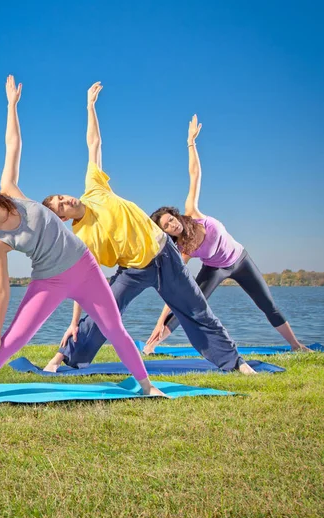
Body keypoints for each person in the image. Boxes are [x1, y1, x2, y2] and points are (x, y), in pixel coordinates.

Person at [0, 76, 165, 404]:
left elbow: (13, 145)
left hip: (85, 268)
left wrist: (11, 106)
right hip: (49, 280)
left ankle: (147, 386)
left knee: (115, 329)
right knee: (13, 339)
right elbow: (1, 289)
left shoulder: (10, 191)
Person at [42, 84, 255, 375]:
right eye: (60, 206)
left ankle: (234, 362)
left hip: (166, 256)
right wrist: (72, 321)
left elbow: (94, 144)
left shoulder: (94, 188)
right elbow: (83, 283)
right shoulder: (81, 238)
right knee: (104, 311)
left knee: (197, 311)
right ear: (62, 218)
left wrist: (90, 108)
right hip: (133, 270)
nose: (65, 200)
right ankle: (64, 358)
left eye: (61, 197)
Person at [143, 115, 310, 355]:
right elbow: (176, 287)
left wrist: (191, 143)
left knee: (267, 304)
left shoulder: (193, 212)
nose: (172, 225)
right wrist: (160, 322)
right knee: (189, 304)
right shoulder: (183, 250)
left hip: (240, 260)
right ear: (167, 233)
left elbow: (194, 174)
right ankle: (151, 347)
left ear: (176, 215)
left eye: (171, 219)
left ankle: (296, 346)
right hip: (215, 268)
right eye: (167, 226)